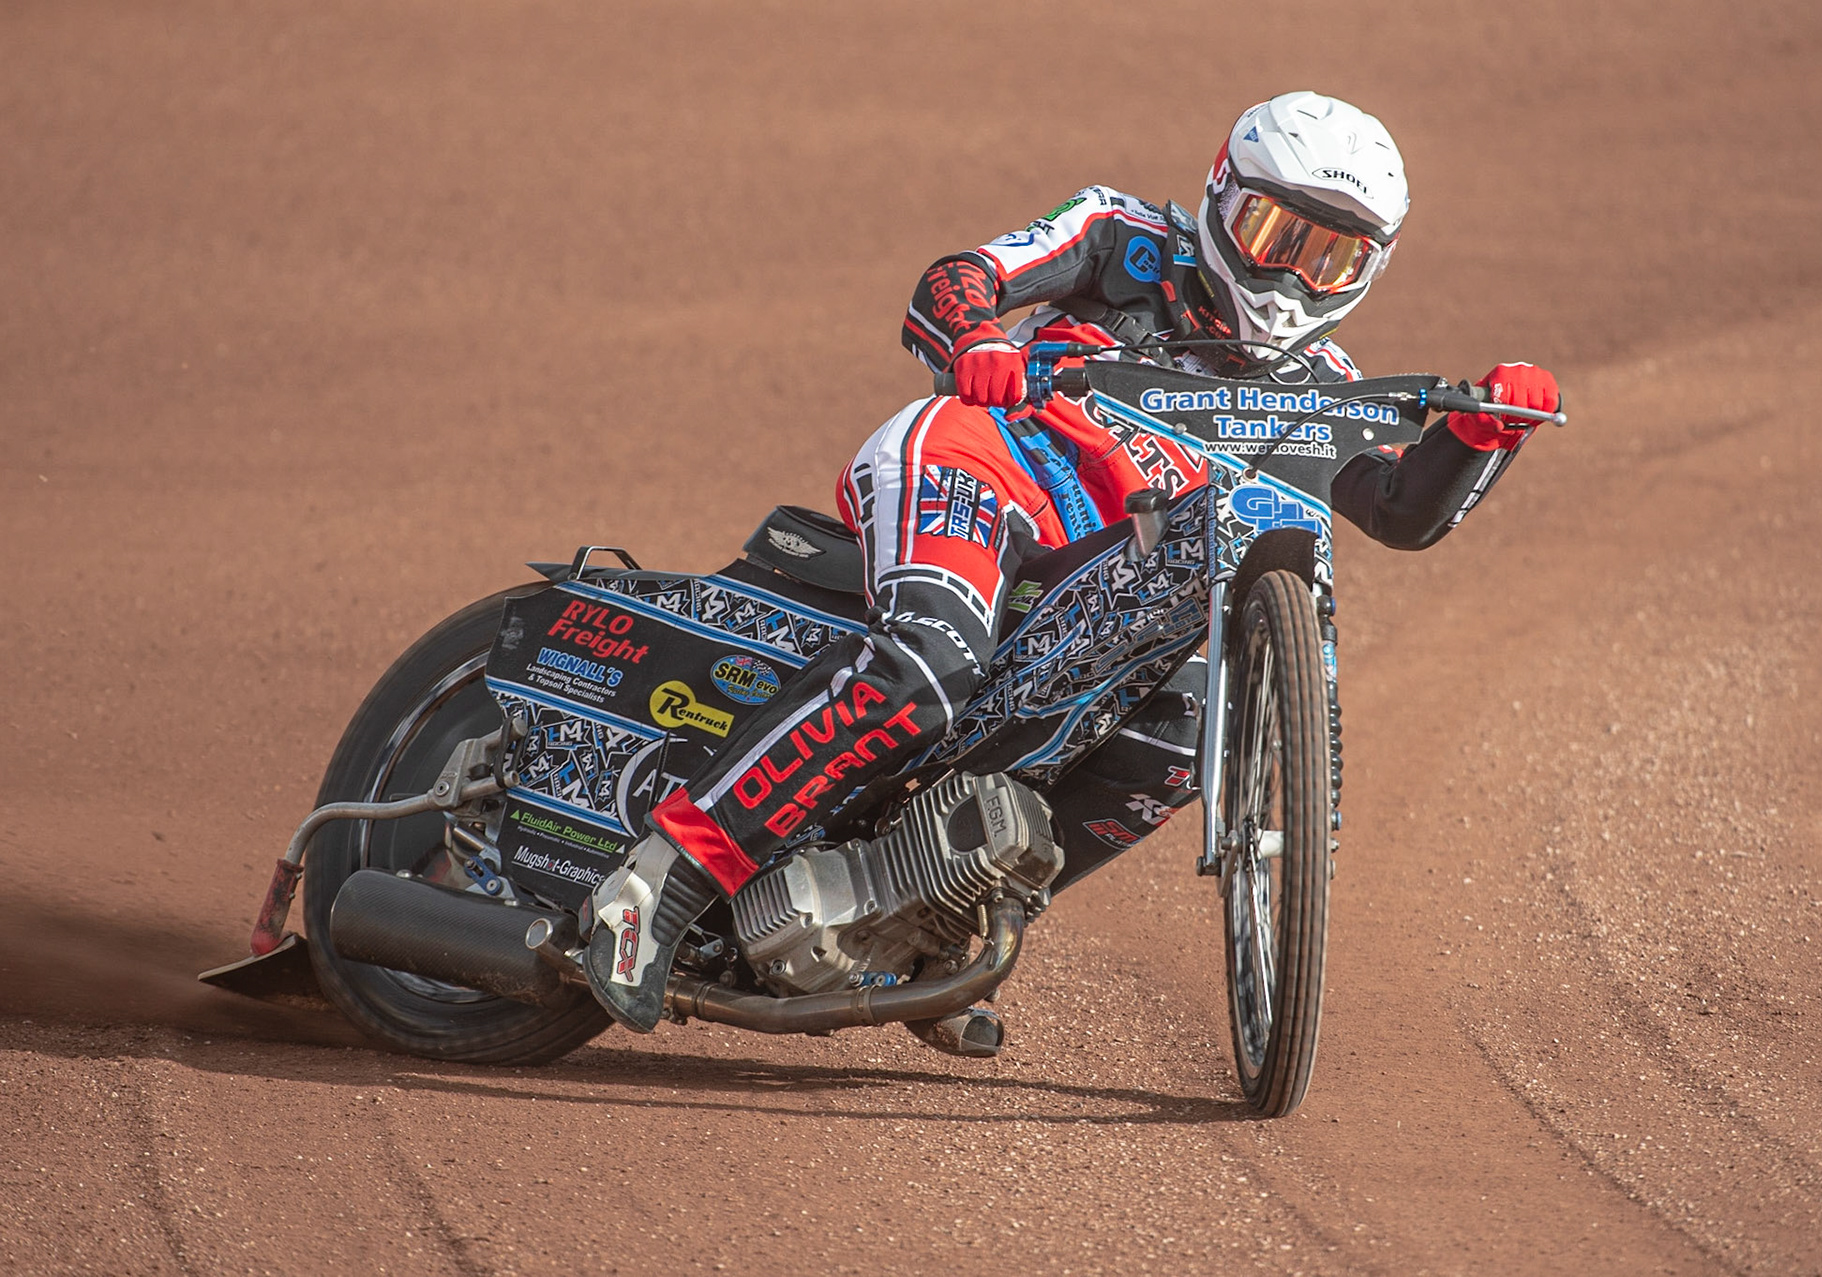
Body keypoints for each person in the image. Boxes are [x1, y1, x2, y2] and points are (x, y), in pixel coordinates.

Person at [583, 91, 1561, 1035]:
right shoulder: (1120, 232)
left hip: (1103, 575)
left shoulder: (1322, 387)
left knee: (1184, 740)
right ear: (1224, 196)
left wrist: (1480, 433)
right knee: (927, 662)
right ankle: (661, 882)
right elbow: (957, 278)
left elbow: (1399, 508)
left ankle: (931, 914)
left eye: (1332, 256)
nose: (1294, 279)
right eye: (1276, 238)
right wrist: (974, 337)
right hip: (984, 462)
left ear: (1369, 270)